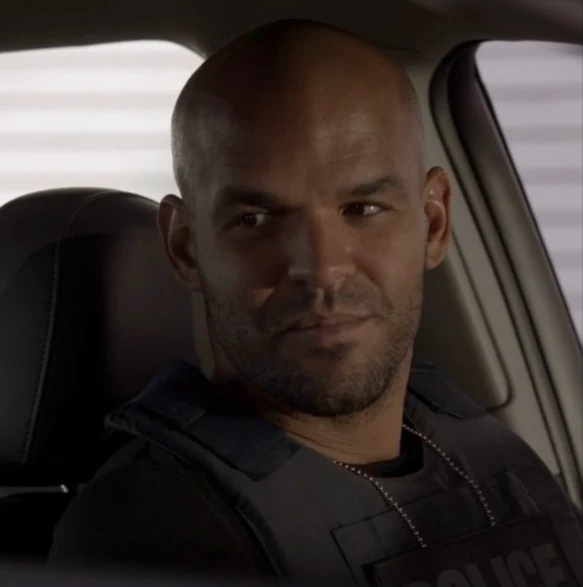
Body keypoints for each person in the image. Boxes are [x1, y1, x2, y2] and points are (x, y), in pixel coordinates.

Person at [49, 19, 583, 585]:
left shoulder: (489, 453)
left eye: (363, 209)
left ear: (434, 223)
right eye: (256, 220)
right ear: (186, 247)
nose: (323, 269)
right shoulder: (152, 533)